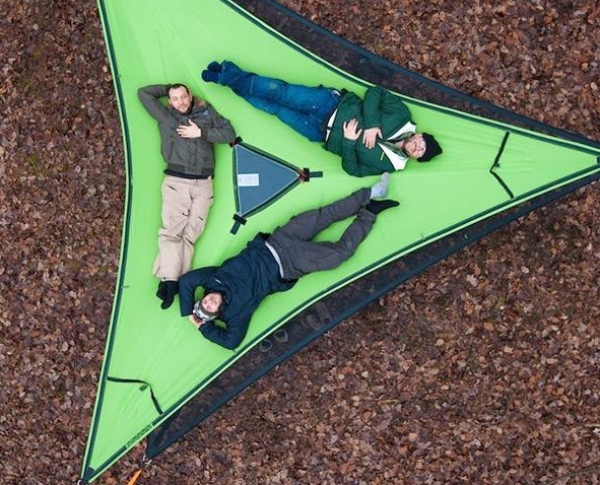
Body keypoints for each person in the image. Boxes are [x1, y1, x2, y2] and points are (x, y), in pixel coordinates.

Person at [179, 173, 398, 349]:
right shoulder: (236, 314)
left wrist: (188, 311)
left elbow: (187, 281)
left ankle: (372, 192)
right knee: (339, 255)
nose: (209, 302)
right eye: (210, 308)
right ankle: (369, 213)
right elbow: (231, 342)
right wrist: (202, 327)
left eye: (205, 301)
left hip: (278, 241)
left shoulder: (212, 279)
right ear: (216, 313)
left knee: (325, 214)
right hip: (289, 264)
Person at [201, 60, 442, 177]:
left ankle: (230, 75)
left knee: (274, 109)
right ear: (420, 135)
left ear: (417, 158)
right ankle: (225, 78)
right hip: (331, 104)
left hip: (318, 132)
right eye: (422, 143)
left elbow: (353, 170)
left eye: (421, 151)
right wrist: (372, 125)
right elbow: (375, 92)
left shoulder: (391, 166)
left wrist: (348, 142)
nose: (418, 147)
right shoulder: (402, 117)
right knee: (279, 91)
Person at [138, 83, 236, 310]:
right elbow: (144, 94)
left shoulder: (206, 112)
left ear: (190, 95)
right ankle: (171, 283)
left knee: (191, 234)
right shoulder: (166, 116)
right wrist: (167, 88)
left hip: (204, 183)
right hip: (177, 181)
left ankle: (172, 280)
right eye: (175, 98)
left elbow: (229, 133)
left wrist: (201, 133)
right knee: (173, 232)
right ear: (170, 101)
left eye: (183, 96)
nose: (180, 102)